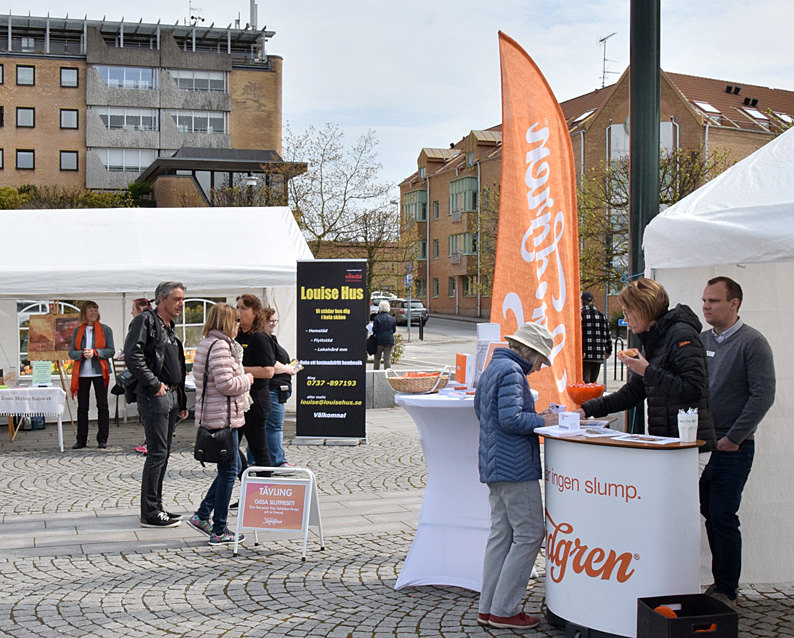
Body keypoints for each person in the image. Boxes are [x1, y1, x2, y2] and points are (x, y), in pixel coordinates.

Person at [578, 279, 716, 471]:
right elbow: (633, 392)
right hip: (669, 443)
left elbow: (692, 389)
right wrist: (585, 410)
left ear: (642, 308)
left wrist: (647, 370)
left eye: (627, 312)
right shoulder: (655, 339)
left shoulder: (681, 335)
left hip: (689, 445)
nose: (625, 319)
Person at [474, 322, 557, 630]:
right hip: (515, 466)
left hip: (494, 464)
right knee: (530, 534)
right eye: (540, 360)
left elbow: (483, 413)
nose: (538, 368)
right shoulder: (512, 372)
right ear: (531, 352)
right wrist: (543, 419)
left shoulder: (494, 367)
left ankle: (489, 607)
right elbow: (511, 419)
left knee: (501, 535)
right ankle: (505, 609)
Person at [699, 276, 775, 610]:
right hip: (702, 446)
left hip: (732, 448)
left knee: (723, 516)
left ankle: (727, 590)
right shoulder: (700, 341)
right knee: (709, 514)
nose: (706, 307)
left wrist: (734, 437)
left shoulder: (752, 343)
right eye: (705, 301)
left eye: (714, 301)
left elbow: (763, 395)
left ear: (734, 304)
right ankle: (719, 583)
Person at [187, 303, 253, 545]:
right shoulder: (221, 347)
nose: (239, 324)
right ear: (226, 322)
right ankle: (219, 529)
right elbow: (226, 385)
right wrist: (247, 379)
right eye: (236, 320)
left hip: (215, 415)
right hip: (223, 418)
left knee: (231, 468)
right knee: (229, 472)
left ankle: (203, 515)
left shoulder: (208, 343)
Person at [124, 282, 188, 528]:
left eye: (182, 299)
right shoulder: (146, 321)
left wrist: (180, 400)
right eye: (176, 299)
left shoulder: (168, 327)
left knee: (163, 454)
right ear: (161, 300)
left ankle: (156, 507)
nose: (181, 304)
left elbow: (176, 366)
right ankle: (150, 512)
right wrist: (153, 384)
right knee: (157, 454)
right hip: (155, 396)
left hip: (170, 397)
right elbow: (133, 355)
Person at [235, 294, 275, 474]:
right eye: (238, 307)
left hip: (256, 399)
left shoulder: (260, 338)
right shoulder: (237, 336)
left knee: (258, 448)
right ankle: (247, 486)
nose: (239, 311)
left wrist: (239, 370)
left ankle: (263, 494)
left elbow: (268, 371)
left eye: (243, 308)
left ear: (255, 313)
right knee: (230, 447)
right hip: (240, 399)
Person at [69, 301, 115, 449]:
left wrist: (96, 353)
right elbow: (71, 352)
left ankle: (102, 438)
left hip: (100, 372)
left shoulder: (106, 330)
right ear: (84, 312)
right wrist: (83, 354)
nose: (94, 312)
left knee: (102, 405)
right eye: (90, 309)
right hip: (82, 373)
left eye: (96, 309)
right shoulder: (78, 331)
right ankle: (81, 439)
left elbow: (111, 351)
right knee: (82, 407)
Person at [263, 307, 298, 468]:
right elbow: (270, 365)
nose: (273, 324)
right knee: (274, 427)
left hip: (277, 389)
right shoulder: (264, 340)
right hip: (272, 389)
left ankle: (258, 459)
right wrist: (288, 369)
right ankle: (278, 461)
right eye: (270, 321)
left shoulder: (270, 339)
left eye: (275, 320)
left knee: (266, 427)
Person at [581, 291, 612, 383]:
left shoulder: (581, 315)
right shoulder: (602, 316)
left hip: (585, 354)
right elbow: (607, 334)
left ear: (582, 301)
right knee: (593, 381)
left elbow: (580, 335)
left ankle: (587, 397)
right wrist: (608, 350)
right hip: (598, 354)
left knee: (585, 381)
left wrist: (581, 350)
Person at [371, 300, 396, 370]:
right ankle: (387, 374)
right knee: (387, 358)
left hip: (379, 341)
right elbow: (394, 330)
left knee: (377, 358)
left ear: (380, 309)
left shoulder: (377, 318)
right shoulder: (392, 318)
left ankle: (376, 373)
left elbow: (374, 330)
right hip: (389, 340)